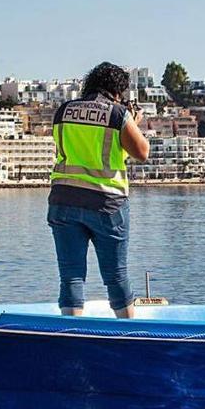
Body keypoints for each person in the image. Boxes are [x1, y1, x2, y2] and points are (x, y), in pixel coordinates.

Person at [47, 62, 150, 318]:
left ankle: (70, 332)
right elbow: (142, 152)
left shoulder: (63, 111)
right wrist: (132, 122)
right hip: (106, 203)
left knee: (71, 275)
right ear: (118, 91)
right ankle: (128, 333)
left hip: (63, 199)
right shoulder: (117, 114)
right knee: (116, 275)